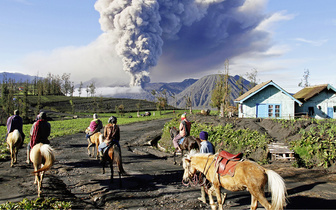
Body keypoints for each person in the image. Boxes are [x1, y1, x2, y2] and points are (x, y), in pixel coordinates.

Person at [198, 131, 215, 203]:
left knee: (202, 181)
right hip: (212, 164)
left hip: (205, 166)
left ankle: (204, 197)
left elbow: (201, 157)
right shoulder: (210, 144)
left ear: (201, 138)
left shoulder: (202, 146)